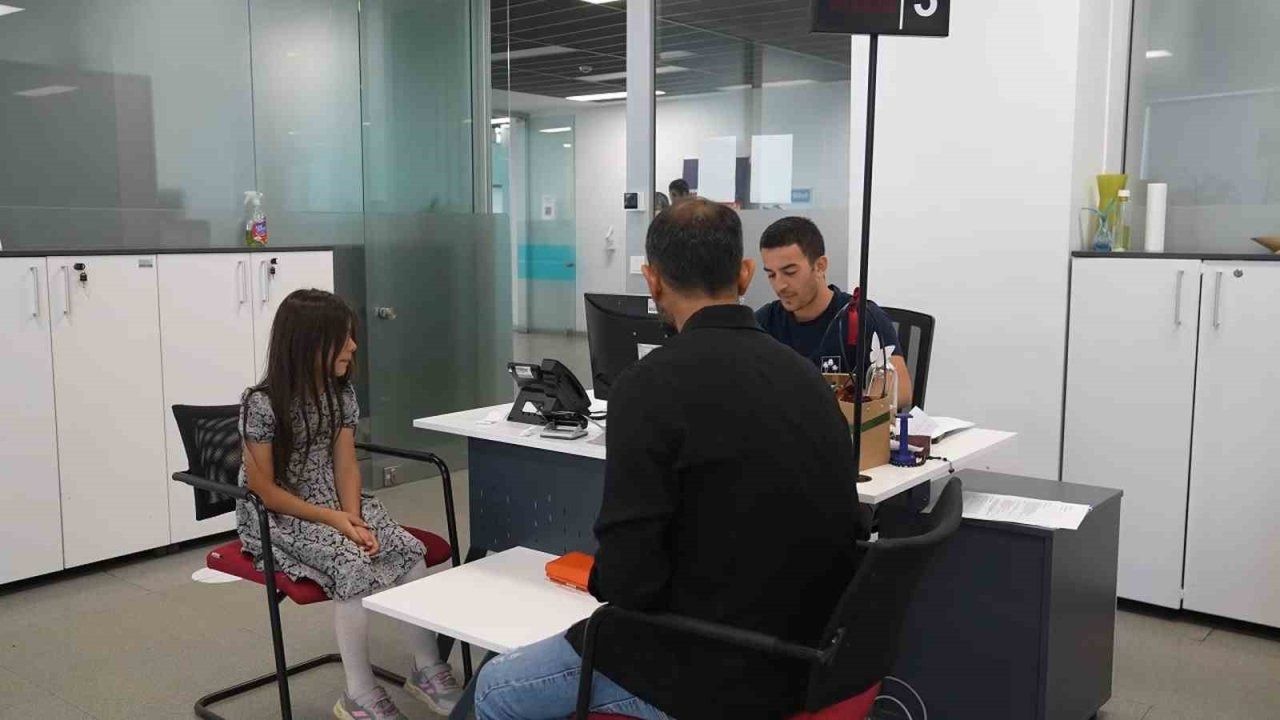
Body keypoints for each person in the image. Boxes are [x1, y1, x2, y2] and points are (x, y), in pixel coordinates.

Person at [464, 200, 864, 719]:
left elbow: (627, 584)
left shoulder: (647, 388)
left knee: (494, 687)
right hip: (808, 658)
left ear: (653, 281)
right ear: (745, 274)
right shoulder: (809, 378)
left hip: (707, 672)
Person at [237, 289, 463, 720]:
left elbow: (345, 466)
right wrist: (338, 522)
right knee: (351, 563)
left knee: (408, 550)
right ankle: (359, 692)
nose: (354, 346)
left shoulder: (339, 393)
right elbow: (264, 491)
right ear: (308, 343)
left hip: (335, 503)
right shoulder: (261, 403)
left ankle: (427, 668)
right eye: (343, 338)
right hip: (279, 515)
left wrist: (354, 519)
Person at [756, 216, 914, 408]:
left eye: (790, 272)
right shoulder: (764, 323)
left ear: (820, 266)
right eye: (771, 275)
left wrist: (858, 404)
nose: (780, 285)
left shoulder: (860, 316)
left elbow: (901, 391)